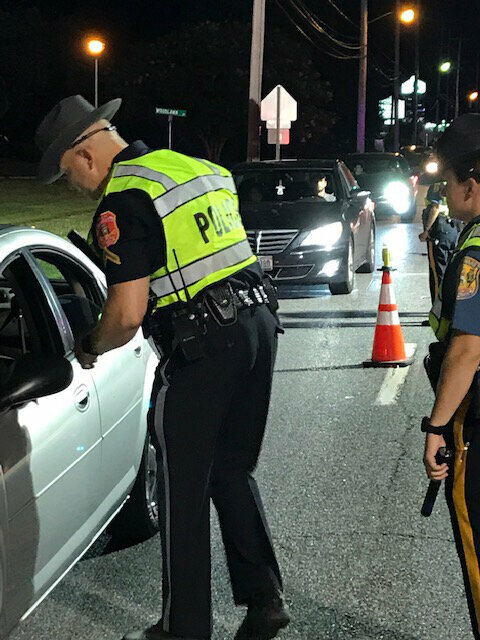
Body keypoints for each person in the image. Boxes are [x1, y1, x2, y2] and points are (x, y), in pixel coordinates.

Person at [35, 95, 289, 640]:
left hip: (204, 345)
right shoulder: (197, 168)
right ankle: (264, 598)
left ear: (83, 156)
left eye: (69, 176)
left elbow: (126, 314)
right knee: (233, 469)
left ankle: (184, 628)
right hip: (259, 325)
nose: (78, 188)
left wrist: (89, 346)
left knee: (182, 490)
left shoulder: (124, 197)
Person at [422, 113, 480, 640]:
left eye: (449, 181)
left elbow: (466, 350)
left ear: (472, 181)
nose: (445, 191)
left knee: (476, 543)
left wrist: (437, 428)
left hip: (477, 419)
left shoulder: (477, 246)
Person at [418, 180, 462, 303]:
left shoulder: (437, 186)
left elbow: (435, 207)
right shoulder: (454, 183)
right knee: (450, 270)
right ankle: (450, 307)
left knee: (437, 273)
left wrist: (427, 230)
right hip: (453, 229)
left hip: (439, 230)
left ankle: (439, 310)